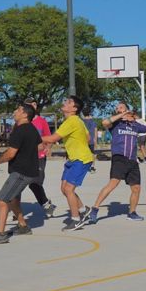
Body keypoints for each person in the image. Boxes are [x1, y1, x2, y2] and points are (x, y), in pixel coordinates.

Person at [88, 104, 146, 224]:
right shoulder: (115, 124)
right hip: (119, 158)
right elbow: (105, 122)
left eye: (120, 107)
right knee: (113, 184)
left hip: (132, 159)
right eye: (116, 108)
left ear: (127, 109)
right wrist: (121, 114)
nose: (117, 109)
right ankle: (94, 209)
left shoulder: (135, 125)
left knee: (136, 188)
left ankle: (132, 213)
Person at [0, 102, 42, 245]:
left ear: (25, 114)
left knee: (2, 200)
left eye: (18, 110)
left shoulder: (20, 130)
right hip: (28, 170)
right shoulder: (32, 129)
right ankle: (23, 226)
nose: (15, 111)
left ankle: (0, 234)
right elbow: (39, 146)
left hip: (21, 172)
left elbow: (10, 153)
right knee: (13, 199)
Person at [40, 95, 94, 231]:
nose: (65, 103)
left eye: (69, 102)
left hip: (81, 159)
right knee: (64, 188)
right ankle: (83, 209)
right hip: (74, 158)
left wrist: (33, 137)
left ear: (74, 109)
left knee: (69, 189)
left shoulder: (72, 121)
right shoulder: (77, 121)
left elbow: (53, 137)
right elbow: (88, 138)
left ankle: (76, 220)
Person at [23, 99, 58, 217]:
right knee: (18, 183)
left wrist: (49, 147)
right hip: (25, 157)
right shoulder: (22, 121)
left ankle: (47, 205)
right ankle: (16, 211)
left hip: (39, 156)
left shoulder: (42, 121)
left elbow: (50, 137)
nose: (31, 106)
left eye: (33, 104)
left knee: (35, 183)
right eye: (28, 104)